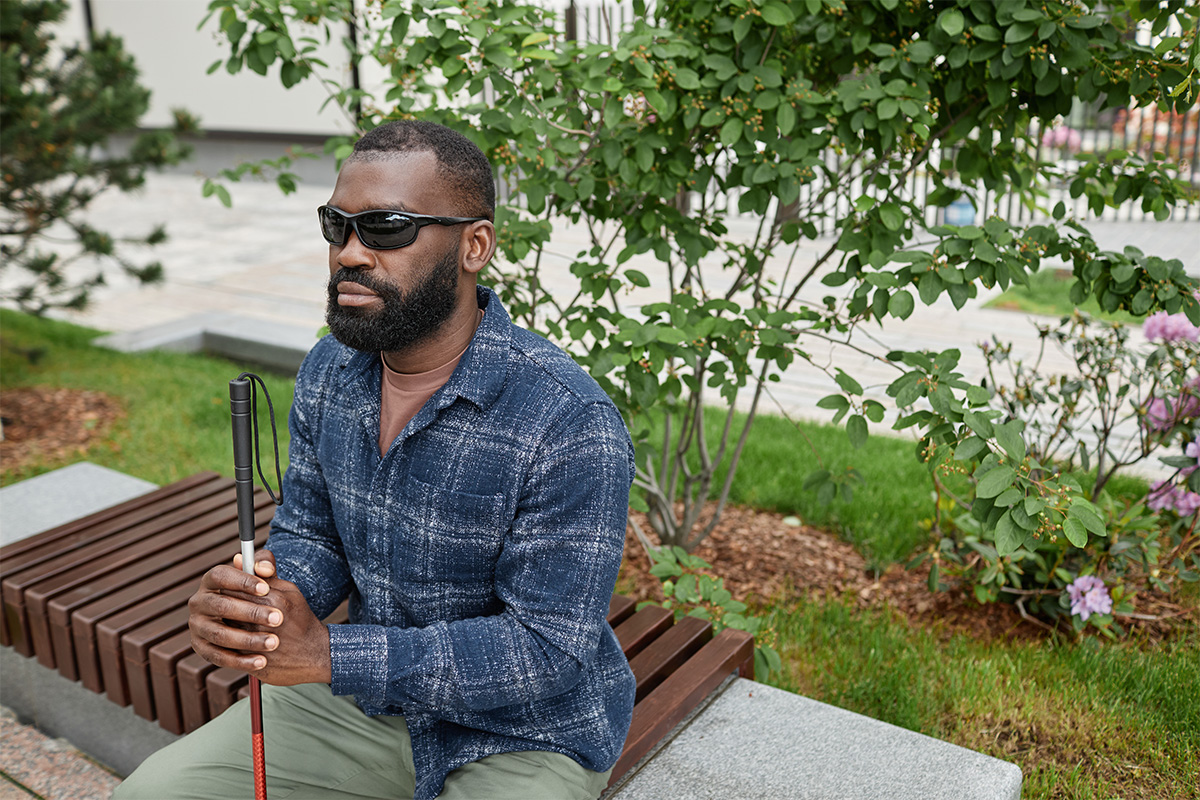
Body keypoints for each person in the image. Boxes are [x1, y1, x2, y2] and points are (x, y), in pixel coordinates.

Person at [115, 120, 636, 800]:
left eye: (386, 226)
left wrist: (332, 653)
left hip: (521, 734)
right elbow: (311, 530)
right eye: (337, 226)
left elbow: (547, 649)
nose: (349, 253)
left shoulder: (569, 420)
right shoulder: (331, 369)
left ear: (473, 245)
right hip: (359, 706)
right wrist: (272, 602)